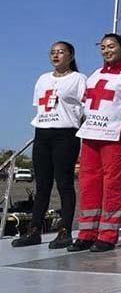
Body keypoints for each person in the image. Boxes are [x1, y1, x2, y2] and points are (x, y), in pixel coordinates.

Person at [68, 34, 121, 252]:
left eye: (111, 46)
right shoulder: (94, 75)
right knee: (88, 183)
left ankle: (108, 235)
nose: (106, 50)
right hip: (91, 136)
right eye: (102, 47)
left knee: (112, 185)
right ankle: (86, 234)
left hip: (117, 137)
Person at [13, 42, 86, 248]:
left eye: (61, 52)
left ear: (71, 56)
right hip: (43, 132)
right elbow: (40, 106)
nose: (56, 56)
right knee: (42, 184)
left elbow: (85, 107)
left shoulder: (78, 79)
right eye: (52, 52)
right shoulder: (43, 79)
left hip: (66, 134)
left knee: (63, 182)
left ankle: (64, 231)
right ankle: (34, 229)